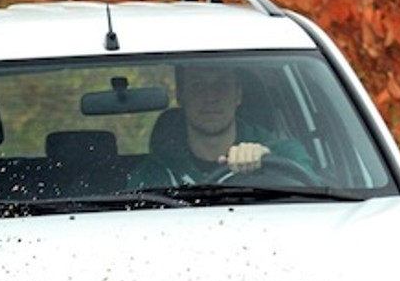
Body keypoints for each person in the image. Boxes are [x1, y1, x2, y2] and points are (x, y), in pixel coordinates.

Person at [127, 64, 316, 188]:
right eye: (198, 86)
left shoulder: (283, 153)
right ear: (181, 97)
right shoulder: (155, 172)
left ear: (238, 95)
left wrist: (268, 165)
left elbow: (319, 199)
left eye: (222, 85)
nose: (211, 97)